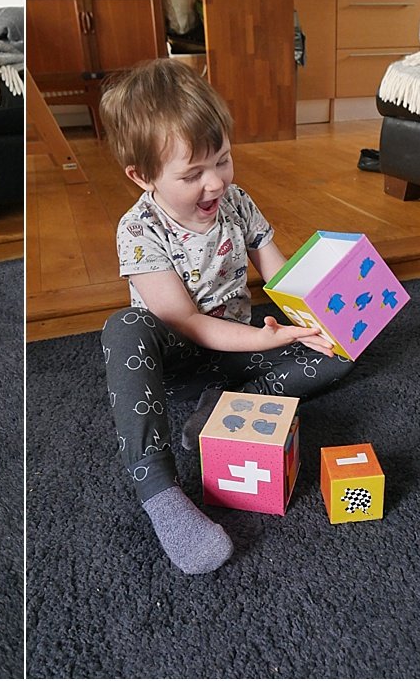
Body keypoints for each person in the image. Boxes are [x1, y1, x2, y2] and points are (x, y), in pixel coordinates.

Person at [99, 59, 353, 575]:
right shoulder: (138, 230)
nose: (215, 183)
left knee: (341, 352)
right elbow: (186, 322)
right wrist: (262, 342)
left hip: (237, 354)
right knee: (123, 329)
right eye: (192, 174)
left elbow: (277, 273)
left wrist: (318, 318)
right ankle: (160, 493)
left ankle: (222, 410)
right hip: (176, 362)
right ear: (142, 176)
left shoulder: (236, 202)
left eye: (223, 160)